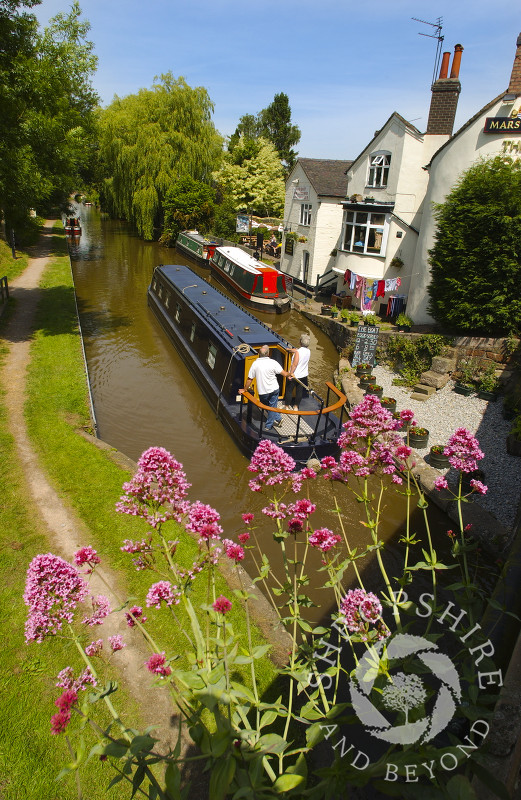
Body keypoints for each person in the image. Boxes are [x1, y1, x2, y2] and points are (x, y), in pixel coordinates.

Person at [239, 345, 290, 431]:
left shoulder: (255, 364)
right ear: (268, 353)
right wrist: (290, 374)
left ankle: (268, 426)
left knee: (268, 407)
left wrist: (244, 389)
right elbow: (284, 374)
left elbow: (249, 379)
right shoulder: (273, 362)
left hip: (264, 392)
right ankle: (278, 418)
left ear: (259, 353)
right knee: (271, 407)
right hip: (274, 389)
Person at [284, 334, 311, 411]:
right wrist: (290, 350)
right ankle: (296, 407)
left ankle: (286, 406)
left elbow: (294, 365)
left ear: (300, 342)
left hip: (295, 375)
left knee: (289, 390)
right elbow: (298, 351)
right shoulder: (308, 351)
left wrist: (290, 374)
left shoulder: (298, 352)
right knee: (299, 392)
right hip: (303, 376)